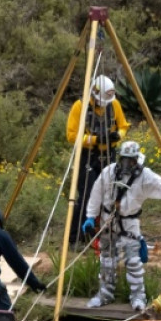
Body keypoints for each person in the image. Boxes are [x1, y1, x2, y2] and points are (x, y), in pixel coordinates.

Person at [83, 140, 161, 311]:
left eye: (130, 160)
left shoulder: (145, 175)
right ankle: (104, 294)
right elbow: (96, 194)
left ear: (136, 159)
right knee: (107, 261)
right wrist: (90, 216)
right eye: (124, 159)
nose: (126, 164)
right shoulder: (108, 172)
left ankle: (138, 297)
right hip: (108, 221)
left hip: (130, 224)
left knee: (133, 261)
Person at [66, 75, 130, 245]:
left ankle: (104, 232)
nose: (104, 103)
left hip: (109, 156)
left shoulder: (113, 104)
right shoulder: (80, 107)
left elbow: (123, 125)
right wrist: (94, 139)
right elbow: (71, 135)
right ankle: (76, 237)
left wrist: (118, 136)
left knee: (110, 195)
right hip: (88, 157)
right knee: (87, 196)